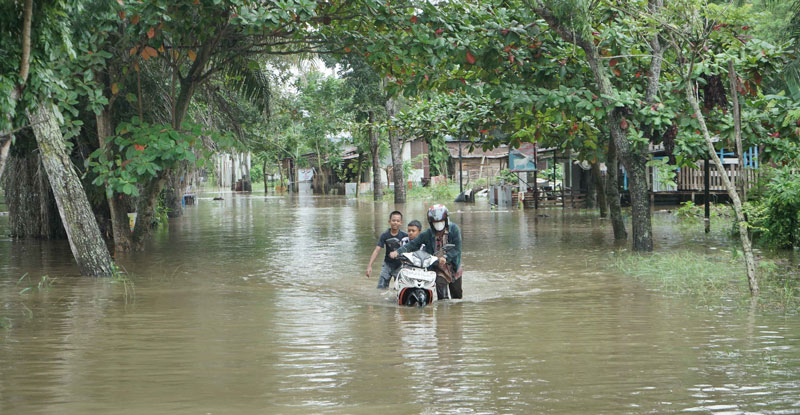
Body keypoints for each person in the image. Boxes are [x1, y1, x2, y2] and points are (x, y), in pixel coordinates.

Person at [391, 204, 462, 299]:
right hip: (437, 268)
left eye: (440, 221)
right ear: (431, 223)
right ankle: (443, 311)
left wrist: (446, 257)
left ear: (445, 220)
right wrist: (398, 252)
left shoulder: (454, 230)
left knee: (457, 296)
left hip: (453, 266)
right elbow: (413, 244)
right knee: (442, 296)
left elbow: (457, 249)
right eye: (435, 222)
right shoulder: (427, 234)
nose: (438, 224)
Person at [366, 210, 407, 289]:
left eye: (398, 221)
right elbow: (377, 250)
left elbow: (411, 247)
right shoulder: (385, 235)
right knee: (380, 288)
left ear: (401, 222)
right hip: (387, 264)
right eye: (393, 220)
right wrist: (369, 266)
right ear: (389, 221)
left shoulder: (404, 236)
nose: (395, 222)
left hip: (400, 265)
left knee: (399, 289)